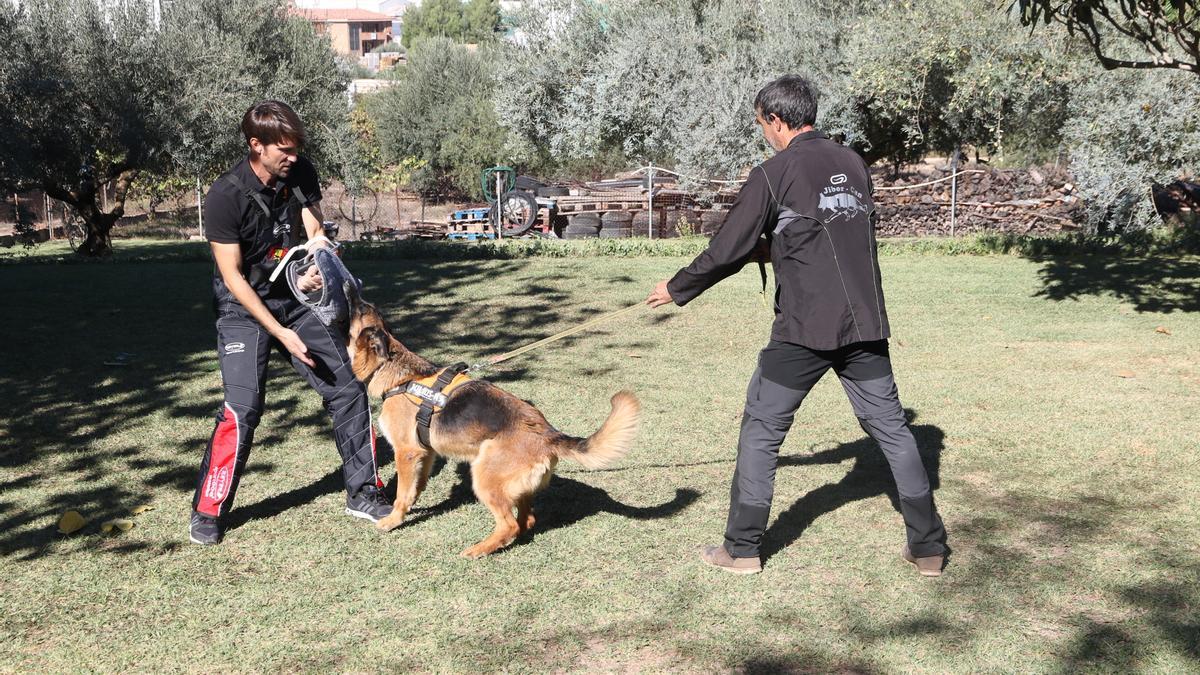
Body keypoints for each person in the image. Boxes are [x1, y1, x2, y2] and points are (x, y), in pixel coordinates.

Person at [645, 75, 947, 576]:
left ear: (778, 121)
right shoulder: (853, 163)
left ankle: (741, 550)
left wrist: (676, 288)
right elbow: (830, 230)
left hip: (803, 331)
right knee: (894, 431)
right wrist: (778, 246)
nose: (764, 132)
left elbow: (728, 249)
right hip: (865, 326)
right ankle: (929, 549)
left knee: (762, 430)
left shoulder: (774, 171)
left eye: (763, 124)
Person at [188, 100, 391, 545]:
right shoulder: (225, 196)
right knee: (243, 409)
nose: (293, 157)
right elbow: (233, 277)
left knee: (346, 383)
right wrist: (280, 333)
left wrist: (317, 254)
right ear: (255, 145)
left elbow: (311, 224)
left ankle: (363, 492)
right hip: (242, 308)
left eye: (296, 147)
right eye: (283, 149)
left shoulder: (298, 171)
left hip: (291, 297)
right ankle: (208, 509)